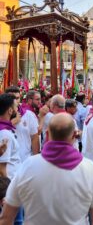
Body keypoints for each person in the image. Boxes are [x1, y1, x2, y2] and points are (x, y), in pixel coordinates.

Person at [0, 113, 93, 225]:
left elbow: (6, 218)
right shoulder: (89, 169)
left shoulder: (28, 166)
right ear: (74, 135)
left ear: (47, 134)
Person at [0, 94, 23, 225]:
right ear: (10, 110)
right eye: (15, 107)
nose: (18, 109)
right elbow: (2, 167)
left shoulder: (5, 130)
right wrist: (7, 193)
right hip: (10, 189)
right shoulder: (5, 133)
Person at [5, 86, 39, 162]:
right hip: (6, 164)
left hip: (25, 161)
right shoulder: (1, 116)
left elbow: (34, 138)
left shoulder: (29, 115)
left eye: (17, 98)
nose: (14, 101)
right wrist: (11, 123)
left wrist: (35, 159)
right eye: (11, 98)